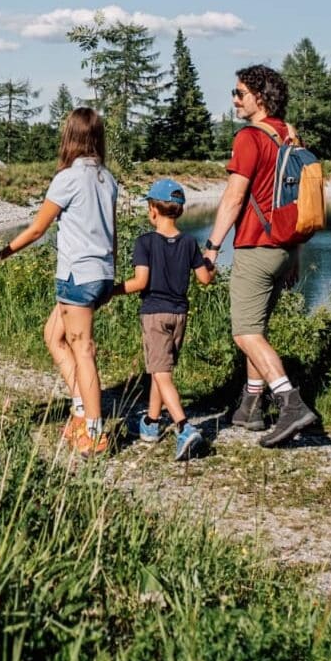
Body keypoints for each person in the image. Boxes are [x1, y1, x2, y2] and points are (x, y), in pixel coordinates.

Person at [200, 65, 321, 447]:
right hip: (284, 247)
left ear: (260, 97)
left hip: (256, 247)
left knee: (245, 332)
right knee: (258, 328)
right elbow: (296, 198)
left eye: (239, 93)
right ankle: (250, 407)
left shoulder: (250, 138)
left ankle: (290, 404)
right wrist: (296, 254)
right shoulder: (289, 134)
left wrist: (213, 247)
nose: (234, 100)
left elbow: (235, 197)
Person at [0, 108, 119, 455]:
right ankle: (81, 409)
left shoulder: (67, 178)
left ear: (70, 138)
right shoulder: (106, 179)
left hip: (76, 275)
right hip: (100, 272)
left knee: (83, 349)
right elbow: (114, 232)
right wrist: (109, 273)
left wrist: (0, 253)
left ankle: (93, 431)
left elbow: (38, 228)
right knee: (53, 335)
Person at [114, 177, 214, 461]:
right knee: (162, 369)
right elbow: (205, 279)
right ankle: (151, 423)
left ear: (152, 210)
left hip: (155, 313)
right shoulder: (189, 242)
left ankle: (184, 428)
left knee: (160, 372)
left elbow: (140, 281)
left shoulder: (145, 242)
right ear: (179, 210)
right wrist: (210, 263)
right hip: (180, 314)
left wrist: (112, 290)